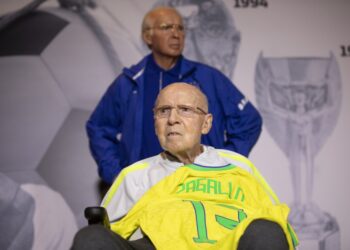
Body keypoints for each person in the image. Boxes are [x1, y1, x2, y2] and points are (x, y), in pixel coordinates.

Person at [73, 83, 298, 250]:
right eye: (163, 111)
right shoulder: (135, 176)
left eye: (185, 110)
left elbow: (275, 226)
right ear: (156, 125)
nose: (172, 119)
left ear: (207, 123)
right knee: (91, 238)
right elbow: (109, 233)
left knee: (267, 230)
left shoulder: (238, 166)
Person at [86, 6, 262, 184]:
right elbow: (99, 128)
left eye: (180, 28)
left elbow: (249, 121)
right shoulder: (129, 82)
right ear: (148, 37)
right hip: (145, 191)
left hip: (199, 187)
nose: (176, 34)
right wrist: (117, 175)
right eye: (166, 27)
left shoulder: (208, 78)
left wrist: (224, 163)